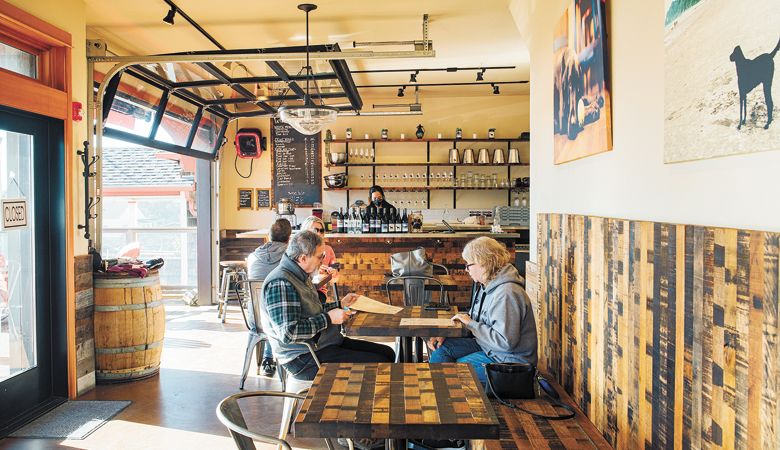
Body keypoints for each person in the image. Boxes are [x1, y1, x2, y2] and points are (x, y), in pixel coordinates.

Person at [260, 230, 395, 381]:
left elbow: (310, 311)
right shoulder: (281, 283)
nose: (323, 261)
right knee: (381, 363)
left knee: (388, 353)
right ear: (303, 258)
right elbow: (289, 333)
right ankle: (357, 402)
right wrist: (329, 318)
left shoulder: (300, 274)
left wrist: (340, 304)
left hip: (322, 344)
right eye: (320, 257)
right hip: (303, 358)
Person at [428, 236, 538, 384]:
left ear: (484, 263)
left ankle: (448, 399)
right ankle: (442, 397)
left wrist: (471, 323)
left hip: (510, 363)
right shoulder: (486, 286)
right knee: (441, 349)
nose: (466, 269)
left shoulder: (507, 293)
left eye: (468, 264)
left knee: (449, 370)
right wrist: (446, 335)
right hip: (489, 348)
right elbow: (476, 319)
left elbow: (505, 343)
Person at [247, 218, 292, 378]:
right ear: (289, 237)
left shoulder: (252, 257)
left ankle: (267, 359)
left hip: (254, 318)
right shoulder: (290, 257)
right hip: (280, 322)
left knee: (270, 311)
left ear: (269, 236)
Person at [299, 216, 338, 299]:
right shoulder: (298, 249)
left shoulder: (328, 249)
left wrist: (331, 273)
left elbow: (336, 277)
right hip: (301, 291)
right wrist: (316, 273)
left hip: (319, 292)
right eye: (315, 230)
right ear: (305, 231)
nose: (319, 233)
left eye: (321, 231)